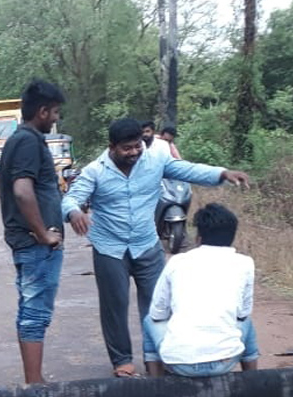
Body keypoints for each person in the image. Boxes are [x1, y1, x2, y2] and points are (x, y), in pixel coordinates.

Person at [61, 117, 251, 378]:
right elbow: (71, 197)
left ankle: (162, 358)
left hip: (146, 244)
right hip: (110, 248)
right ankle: (122, 361)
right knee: (114, 305)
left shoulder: (155, 161)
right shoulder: (95, 171)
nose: (134, 153)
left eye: (138, 146)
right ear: (112, 147)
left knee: (158, 305)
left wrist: (222, 174)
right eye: (127, 148)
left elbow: (188, 170)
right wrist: (73, 213)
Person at [0, 78, 67, 385]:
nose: (56, 119)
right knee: (35, 313)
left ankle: (33, 381)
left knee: (29, 310)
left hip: (29, 243)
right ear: (41, 111)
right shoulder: (27, 142)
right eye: (54, 112)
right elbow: (23, 191)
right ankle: (35, 386)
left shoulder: (21, 139)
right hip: (34, 245)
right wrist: (43, 233)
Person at [143, 203, 259, 377]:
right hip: (225, 361)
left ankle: (155, 387)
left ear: (199, 237)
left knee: (149, 321)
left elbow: (157, 313)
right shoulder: (245, 263)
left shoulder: (177, 262)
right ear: (232, 236)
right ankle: (253, 381)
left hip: (179, 363)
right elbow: (242, 313)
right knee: (246, 322)